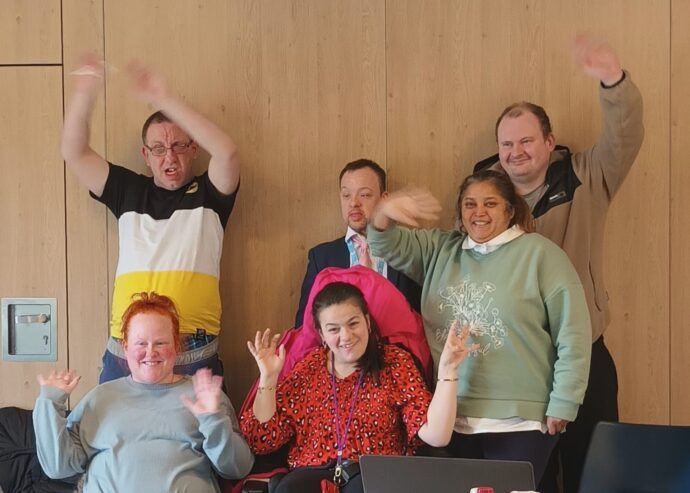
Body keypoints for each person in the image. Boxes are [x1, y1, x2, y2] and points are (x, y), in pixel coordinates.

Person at [473, 34, 644, 492]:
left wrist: (613, 80)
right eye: (506, 144)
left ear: (550, 142)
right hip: (517, 365)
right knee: (531, 482)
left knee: (598, 471)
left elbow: (624, 136)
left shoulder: (588, 176)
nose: (516, 152)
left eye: (527, 140)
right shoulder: (485, 199)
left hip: (585, 353)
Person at [367, 170, 592, 485]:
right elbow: (383, 242)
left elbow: (574, 334)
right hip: (452, 418)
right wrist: (383, 213)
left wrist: (565, 402)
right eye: (470, 204)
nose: (479, 212)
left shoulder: (541, 255)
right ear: (460, 211)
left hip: (521, 422)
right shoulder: (440, 251)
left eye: (490, 203)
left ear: (509, 210)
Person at [61, 56, 241, 382]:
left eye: (178, 145)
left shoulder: (211, 194)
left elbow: (227, 152)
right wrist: (85, 93)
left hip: (191, 348)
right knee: (112, 433)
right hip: (128, 350)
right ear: (146, 155)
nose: (169, 156)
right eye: (158, 148)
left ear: (193, 148)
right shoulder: (127, 190)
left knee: (205, 434)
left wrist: (163, 99)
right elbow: (75, 153)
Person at [241, 282, 477, 493]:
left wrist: (448, 372)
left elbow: (436, 435)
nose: (345, 336)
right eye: (333, 329)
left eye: (353, 323)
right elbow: (262, 440)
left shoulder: (395, 362)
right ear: (322, 334)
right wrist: (268, 378)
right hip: (310, 473)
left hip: (373, 475)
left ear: (367, 321)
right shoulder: (309, 368)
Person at [32, 292, 254, 493]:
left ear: (176, 346)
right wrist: (49, 404)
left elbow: (238, 469)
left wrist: (213, 420)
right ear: (125, 347)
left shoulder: (204, 394)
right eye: (141, 343)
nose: (150, 352)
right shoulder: (99, 398)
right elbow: (58, 468)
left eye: (160, 343)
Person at [294, 159, 422, 327]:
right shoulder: (321, 257)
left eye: (364, 195)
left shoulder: (408, 249)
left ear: (384, 199)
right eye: (346, 195)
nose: (353, 203)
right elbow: (304, 326)